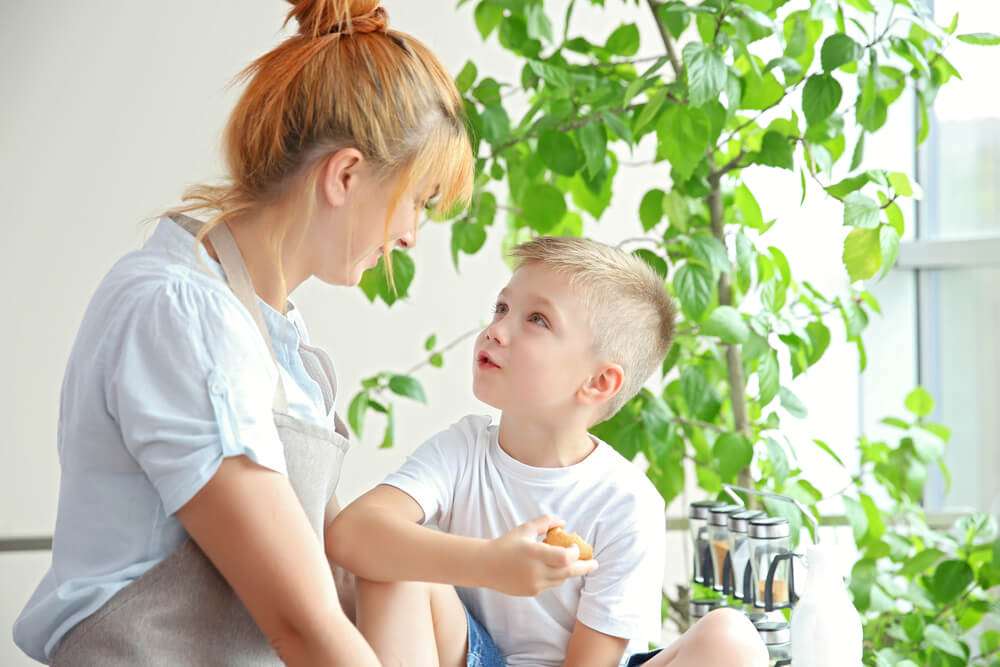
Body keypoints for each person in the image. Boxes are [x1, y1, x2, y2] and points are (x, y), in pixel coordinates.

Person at [12, 0, 473, 664]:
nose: (410, 235)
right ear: (344, 175)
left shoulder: (266, 328)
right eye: (419, 200)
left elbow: (334, 568)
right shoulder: (179, 315)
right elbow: (304, 623)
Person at [329, 237, 769, 667]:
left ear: (598, 383)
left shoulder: (628, 503)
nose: (495, 331)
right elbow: (351, 535)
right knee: (394, 565)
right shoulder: (461, 450)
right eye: (501, 308)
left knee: (730, 638)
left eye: (536, 320)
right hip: (475, 655)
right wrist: (489, 565)